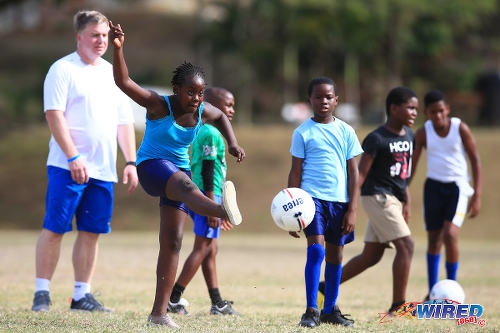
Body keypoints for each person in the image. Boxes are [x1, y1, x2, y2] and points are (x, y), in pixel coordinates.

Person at [109, 21, 245, 327]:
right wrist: (118, 50)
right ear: (176, 90)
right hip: (152, 167)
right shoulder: (158, 105)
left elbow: (222, 115)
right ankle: (222, 209)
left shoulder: (201, 111)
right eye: (190, 92)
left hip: (178, 172)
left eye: (200, 93)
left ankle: (158, 314)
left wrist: (233, 143)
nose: (196, 98)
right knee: (186, 185)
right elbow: (123, 82)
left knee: (172, 242)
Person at [32, 10, 138, 313]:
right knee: (55, 228)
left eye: (105, 35)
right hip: (67, 166)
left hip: (103, 168)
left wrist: (130, 161)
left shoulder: (113, 72)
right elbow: (55, 116)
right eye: (95, 35)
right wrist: (73, 156)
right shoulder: (62, 69)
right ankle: (42, 292)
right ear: (79, 36)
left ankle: (81, 295)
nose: (101, 41)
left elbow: (124, 122)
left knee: (92, 231)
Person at [288, 77, 363, 328]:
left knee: (335, 255)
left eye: (328, 97)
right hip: (312, 201)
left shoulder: (346, 131)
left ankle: (329, 309)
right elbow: (295, 172)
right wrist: (292, 208)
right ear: (309, 100)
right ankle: (311, 310)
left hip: (340, 203)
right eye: (318, 97)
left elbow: (355, 174)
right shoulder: (302, 132)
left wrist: (352, 209)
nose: (323, 101)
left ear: (336, 100)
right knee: (317, 249)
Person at [339, 86, 418, 314]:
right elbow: (360, 174)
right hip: (377, 197)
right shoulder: (377, 138)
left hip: (394, 199)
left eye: (416, 109)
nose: (414, 113)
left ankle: (324, 288)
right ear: (393, 108)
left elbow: (403, 174)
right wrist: (350, 207)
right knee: (406, 245)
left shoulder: (410, 136)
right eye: (410, 108)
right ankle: (398, 306)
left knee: (372, 255)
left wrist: (407, 201)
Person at [168, 87, 239, 316]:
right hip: (207, 195)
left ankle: (217, 302)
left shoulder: (205, 130)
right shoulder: (210, 132)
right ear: (213, 106)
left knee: (210, 248)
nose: (232, 110)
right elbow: (208, 170)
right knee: (201, 248)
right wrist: (212, 208)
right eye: (228, 105)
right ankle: (173, 298)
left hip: (206, 195)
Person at [411, 90, 482, 299]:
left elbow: (475, 160)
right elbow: (411, 165)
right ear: (426, 113)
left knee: (450, 234)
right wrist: (403, 190)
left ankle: (452, 287)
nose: (438, 116)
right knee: (433, 240)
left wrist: (477, 195)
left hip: (457, 187)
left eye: (441, 111)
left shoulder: (460, 128)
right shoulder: (423, 132)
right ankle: (433, 291)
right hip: (433, 188)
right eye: (433, 112)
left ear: (448, 109)